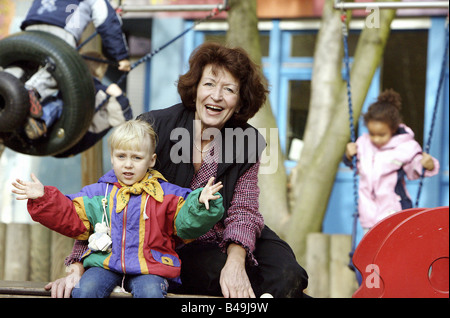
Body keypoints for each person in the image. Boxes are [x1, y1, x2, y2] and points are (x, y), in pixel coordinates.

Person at [51, 42, 309, 298]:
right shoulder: (155, 127)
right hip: (176, 243)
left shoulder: (247, 141)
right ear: (195, 88)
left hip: (233, 234)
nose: (216, 96)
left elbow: (244, 209)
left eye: (229, 89)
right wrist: (76, 265)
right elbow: (107, 199)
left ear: (240, 100)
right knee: (219, 274)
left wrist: (236, 260)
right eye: (209, 84)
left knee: (289, 274)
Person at [11, 119, 224, 298]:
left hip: (150, 267)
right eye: (121, 157)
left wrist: (199, 203)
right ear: (112, 158)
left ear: (151, 160)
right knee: (85, 290)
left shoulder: (167, 195)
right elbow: (71, 214)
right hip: (105, 264)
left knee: (150, 292)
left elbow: (185, 223)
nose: (128, 164)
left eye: (136, 158)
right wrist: (44, 198)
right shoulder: (99, 193)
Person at [15, 0, 131, 140]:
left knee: (25, 68)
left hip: (30, 28)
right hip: (61, 29)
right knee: (57, 73)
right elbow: (106, 20)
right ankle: (32, 91)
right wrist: (121, 56)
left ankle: (9, 89)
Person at [344, 89, 440, 233]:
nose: (376, 139)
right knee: (373, 251)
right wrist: (349, 155)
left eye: (381, 135)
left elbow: (413, 166)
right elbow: (356, 166)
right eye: (372, 134)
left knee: (394, 250)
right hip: (368, 212)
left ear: (393, 129)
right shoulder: (363, 143)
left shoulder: (405, 146)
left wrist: (427, 164)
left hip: (394, 211)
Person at [55, 51, 133, 157]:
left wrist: (119, 96)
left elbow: (125, 119)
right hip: (66, 144)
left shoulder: (100, 92)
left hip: (71, 139)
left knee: (56, 105)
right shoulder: (74, 83)